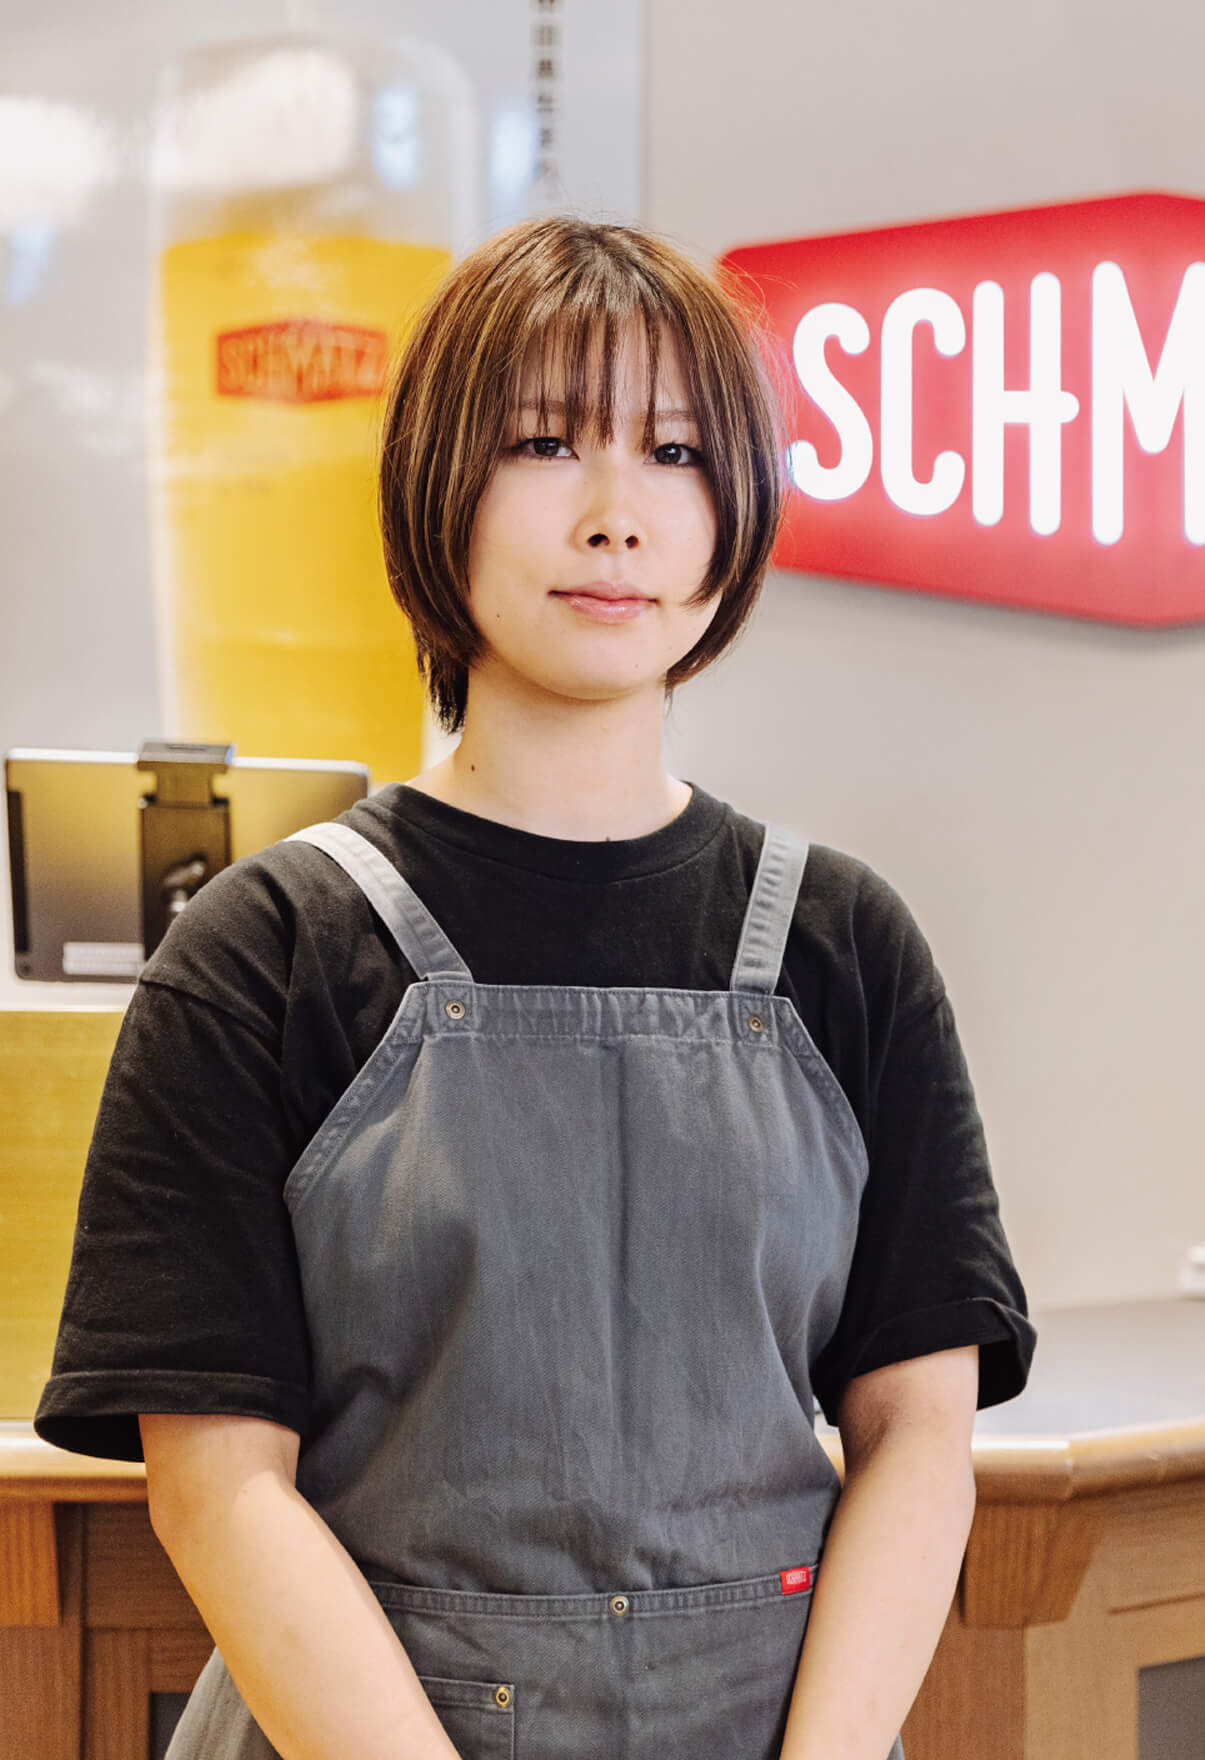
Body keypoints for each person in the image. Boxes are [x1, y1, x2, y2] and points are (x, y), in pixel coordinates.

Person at [33, 214, 1035, 1760]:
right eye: (547, 444)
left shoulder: (846, 946)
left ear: (739, 512)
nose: (618, 517)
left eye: (678, 454)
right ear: (436, 484)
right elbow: (218, 1484)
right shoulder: (260, 951)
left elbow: (916, 1430)